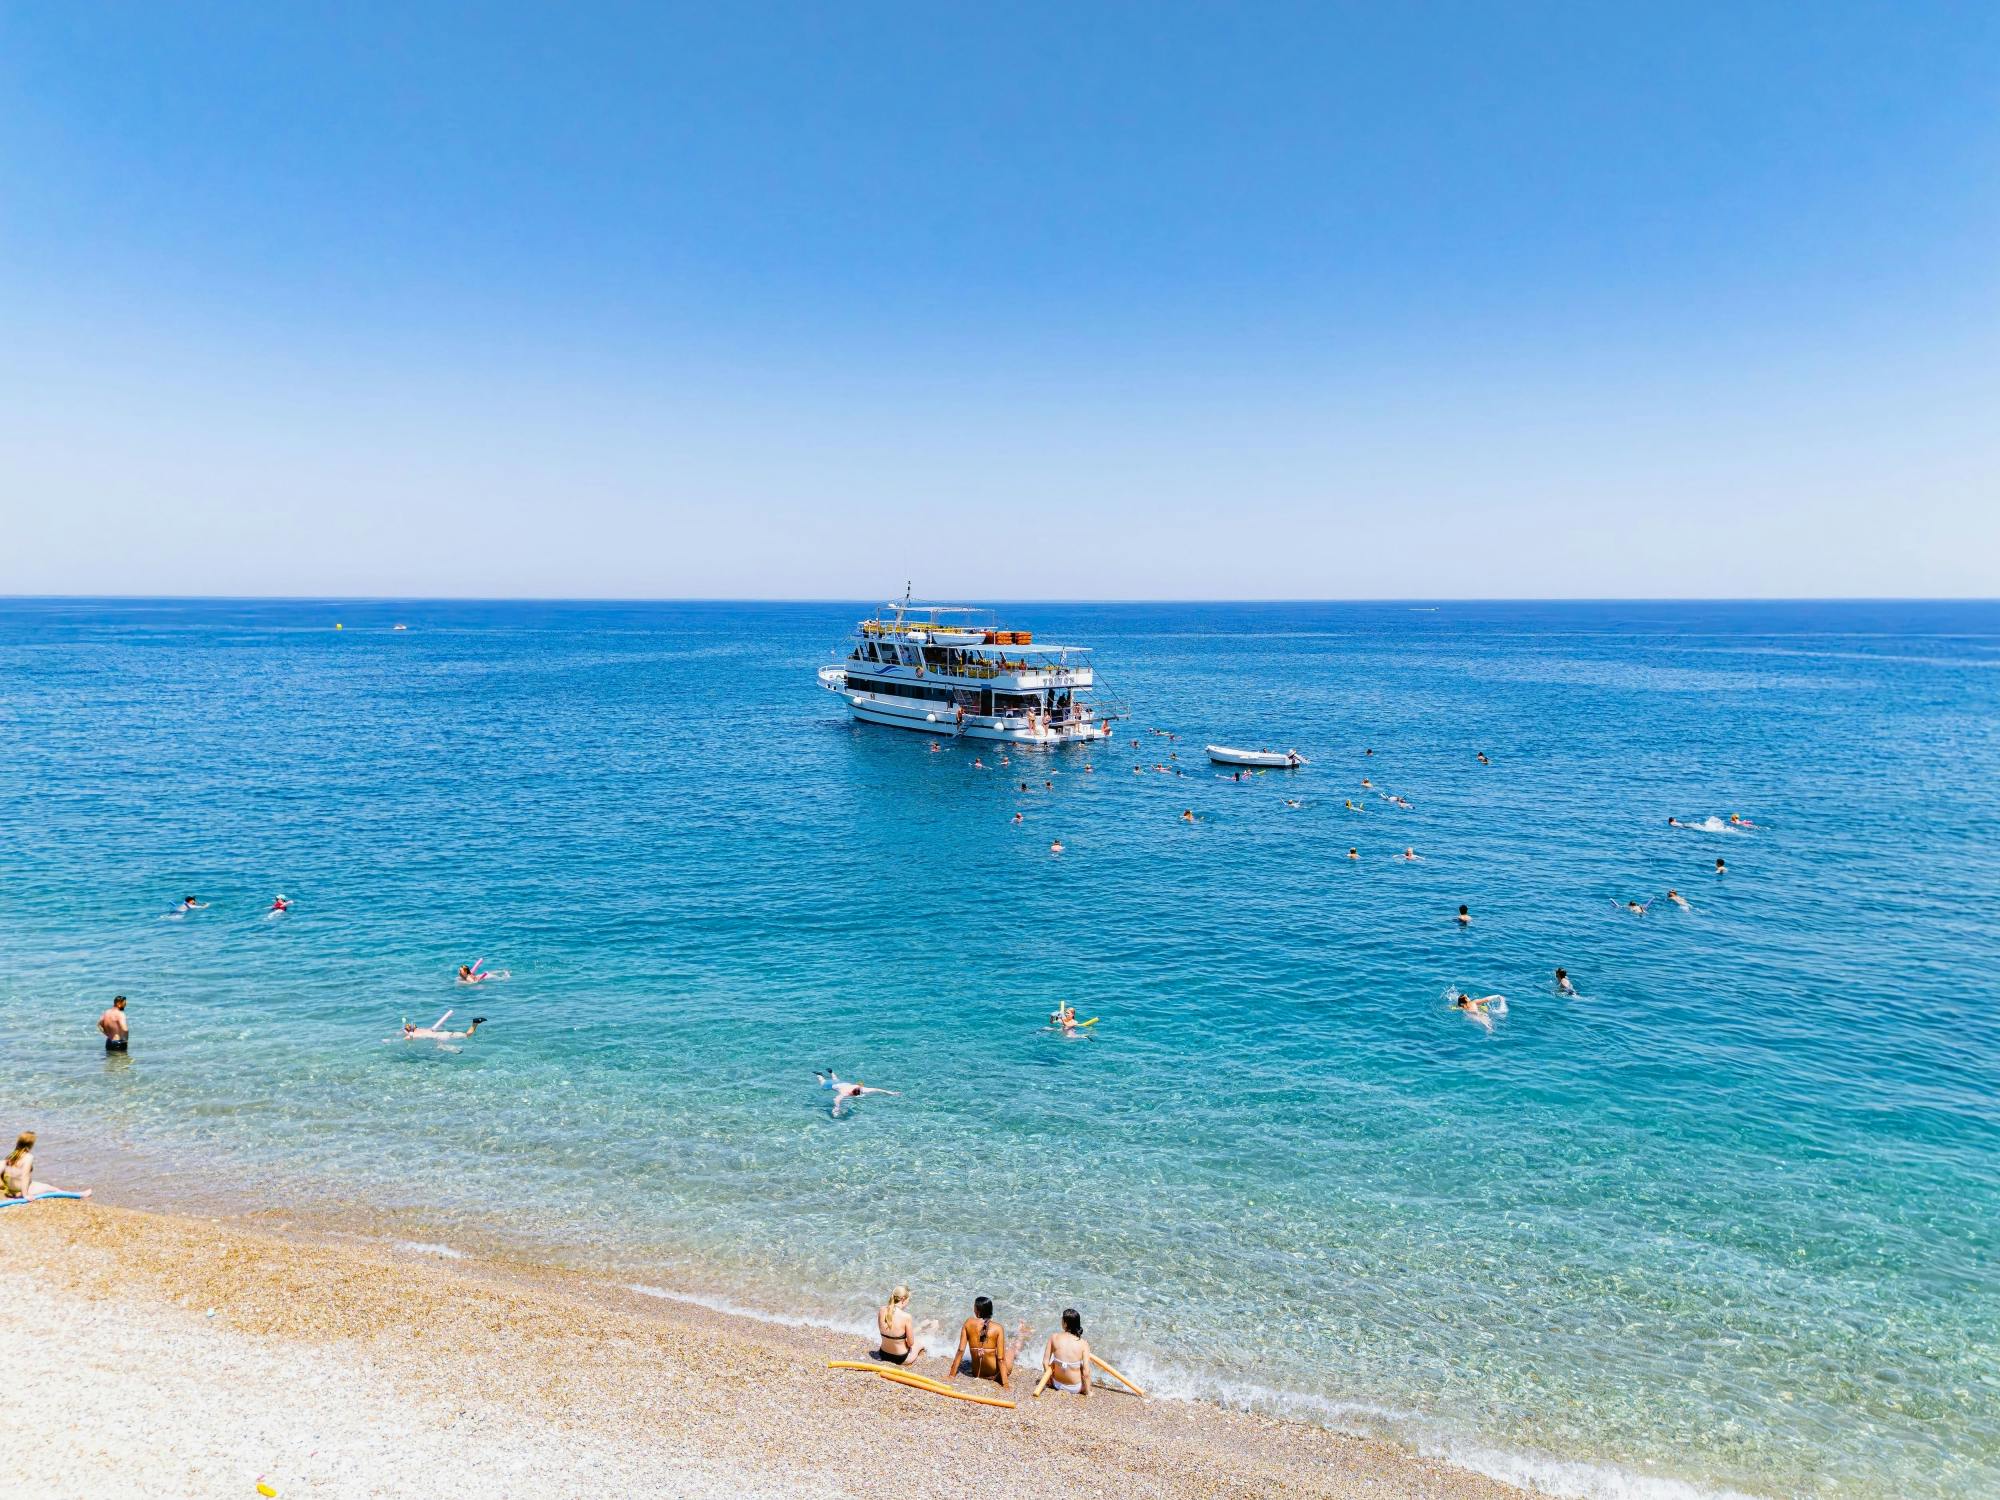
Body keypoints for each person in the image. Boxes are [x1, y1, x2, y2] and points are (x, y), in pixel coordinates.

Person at [951, 1296, 1028, 1388]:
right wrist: (1005, 1384)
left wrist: (951, 1375)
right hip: (996, 1375)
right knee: (1011, 1349)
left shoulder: (968, 1323)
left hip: (977, 1373)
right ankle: (1022, 1333)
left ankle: (1021, 1333)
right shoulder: (998, 1328)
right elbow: (1000, 1359)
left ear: (977, 1310)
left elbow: (960, 1350)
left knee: (994, 1348)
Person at [2, 1132, 90, 1201]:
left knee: (46, 1186)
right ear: (30, 1145)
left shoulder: (10, 1156)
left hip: (10, 1190)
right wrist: (25, 1195)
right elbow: (25, 1176)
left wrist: (6, 1189)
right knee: (53, 1189)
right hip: (23, 1190)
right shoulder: (28, 1157)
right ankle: (80, 1195)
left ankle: (78, 1194)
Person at [873, 1286, 933, 1366]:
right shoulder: (906, 1316)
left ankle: (921, 1326)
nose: (908, 1302)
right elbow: (910, 1343)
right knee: (922, 1341)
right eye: (908, 1299)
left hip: (883, 1354)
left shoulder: (882, 1310)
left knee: (902, 1337)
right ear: (903, 1299)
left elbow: (894, 1331)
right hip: (902, 1358)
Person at [1042, 1309, 1093, 1396]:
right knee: (1085, 1367)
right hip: (1075, 1388)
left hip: (1056, 1384)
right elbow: (1086, 1372)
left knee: (1053, 1363)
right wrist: (1088, 1392)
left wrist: (1049, 1380)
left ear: (1065, 1323)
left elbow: (1045, 1362)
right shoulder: (1083, 1343)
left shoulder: (1053, 1337)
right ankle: (1085, 1389)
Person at [816, 1072, 899, 1118]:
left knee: (836, 1080)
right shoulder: (846, 1093)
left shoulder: (861, 1089)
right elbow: (836, 1099)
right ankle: (820, 1075)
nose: (857, 1095)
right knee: (823, 1083)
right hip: (832, 1085)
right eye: (856, 1094)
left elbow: (877, 1089)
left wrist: (890, 1092)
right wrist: (837, 1107)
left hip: (841, 1084)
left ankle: (831, 1072)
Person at [400, 1010, 485, 1041]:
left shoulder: (414, 1034)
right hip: (445, 1033)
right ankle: (475, 1023)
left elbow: (407, 1039)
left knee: (440, 1047)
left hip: (441, 1037)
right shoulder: (426, 1029)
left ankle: (450, 1049)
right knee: (467, 1035)